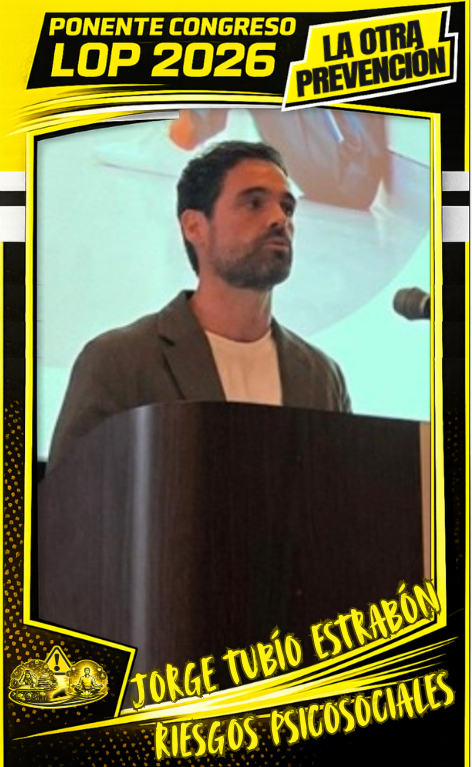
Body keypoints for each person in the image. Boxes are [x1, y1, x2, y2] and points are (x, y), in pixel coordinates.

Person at [48, 140, 351, 470]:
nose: (279, 219)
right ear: (194, 226)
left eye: (287, 208)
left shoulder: (322, 377)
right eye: (254, 203)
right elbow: (71, 496)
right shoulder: (119, 362)